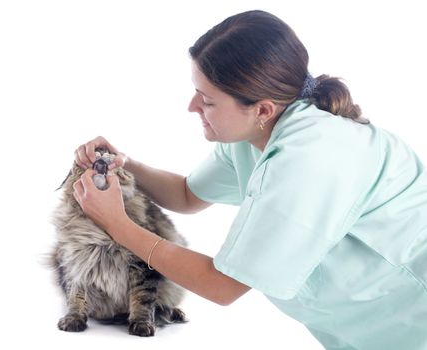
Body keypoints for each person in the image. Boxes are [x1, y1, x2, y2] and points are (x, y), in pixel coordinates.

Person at [72, 10, 427, 350]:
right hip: (370, 329)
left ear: (262, 109)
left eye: (208, 100)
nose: (192, 106)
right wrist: (123, 163)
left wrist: (117, 225)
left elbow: (222, 285)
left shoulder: (309, 160)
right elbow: (186, 195)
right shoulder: (256, 134)